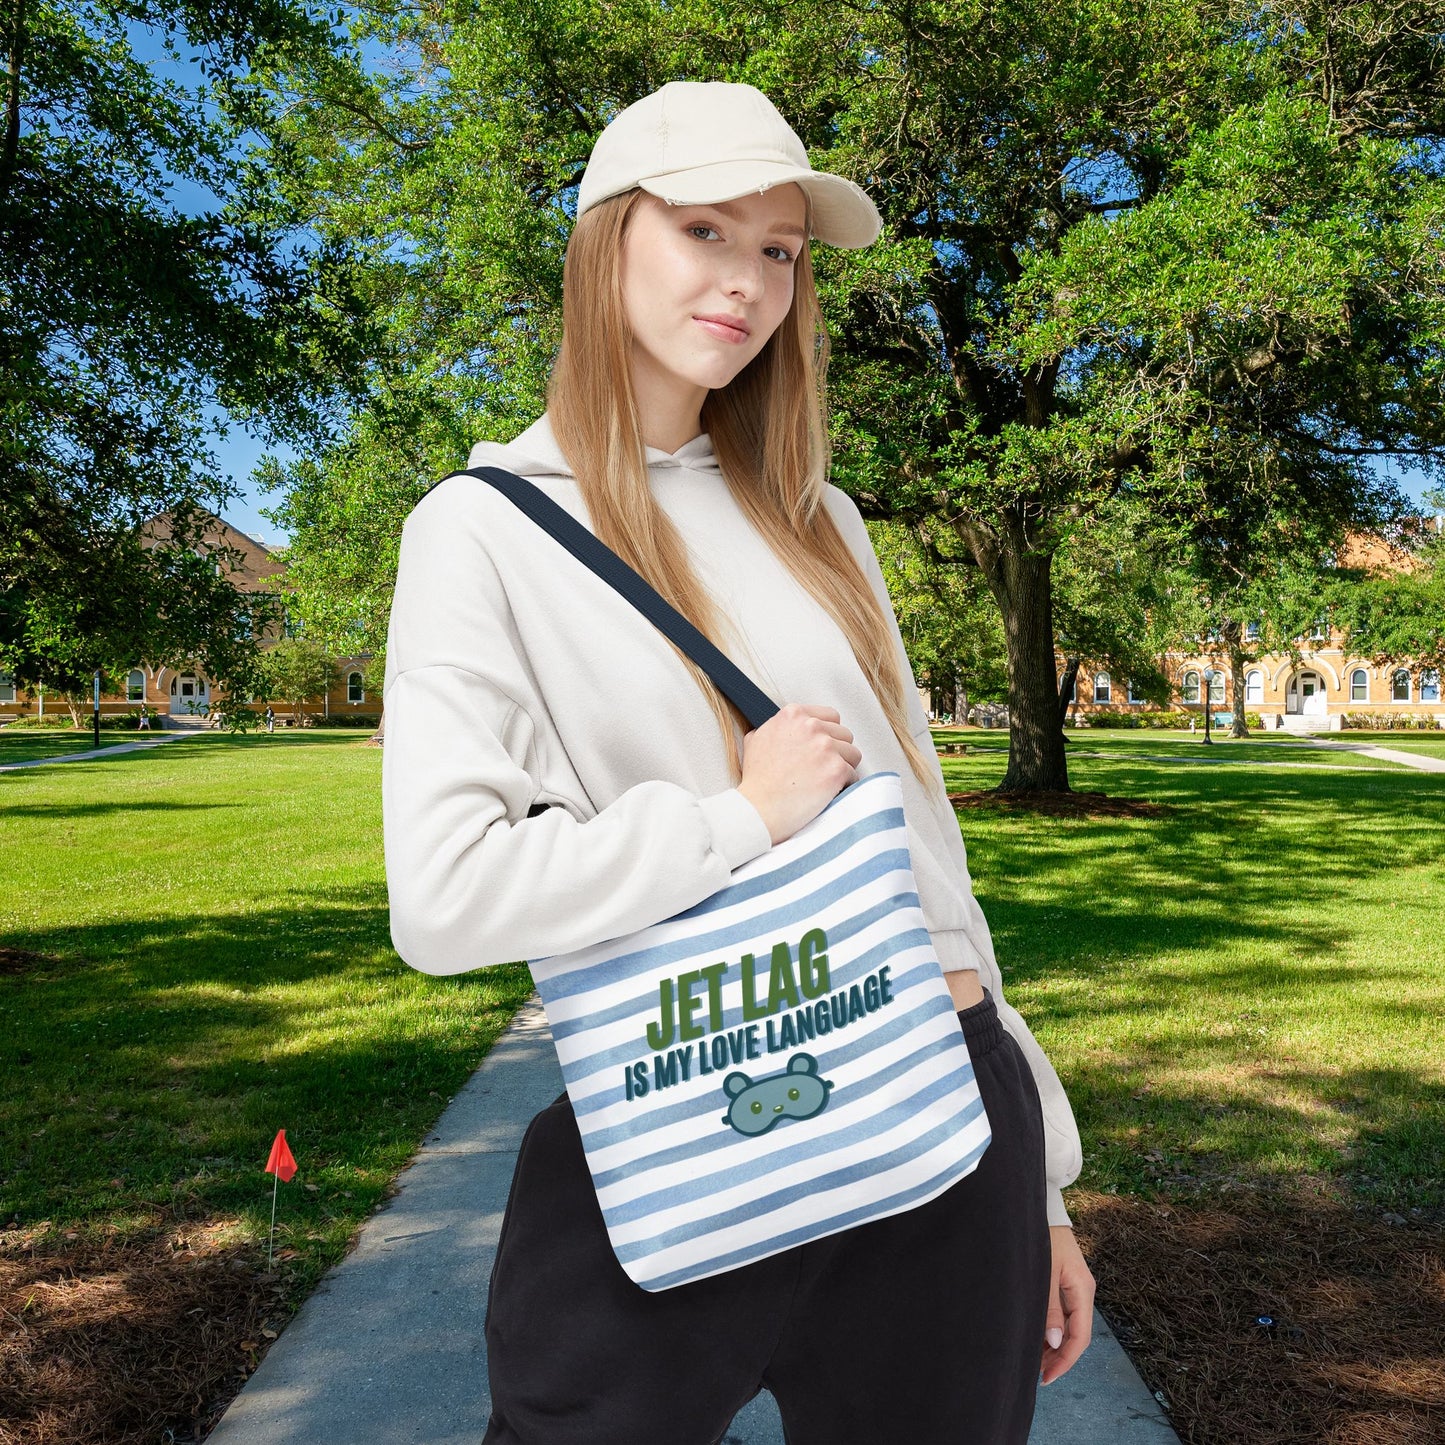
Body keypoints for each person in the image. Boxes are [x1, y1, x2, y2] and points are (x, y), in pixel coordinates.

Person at [382, 80, 1093, 1445]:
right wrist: (741, 819)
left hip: (940, 1114)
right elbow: (446, 896)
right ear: (605, 242)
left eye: (778, 250)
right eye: (704, 229)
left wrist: (1044, 1186)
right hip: (684, 1117)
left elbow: (927, 854)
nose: (748, 282)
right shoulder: (484, 529)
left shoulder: (820, 518)